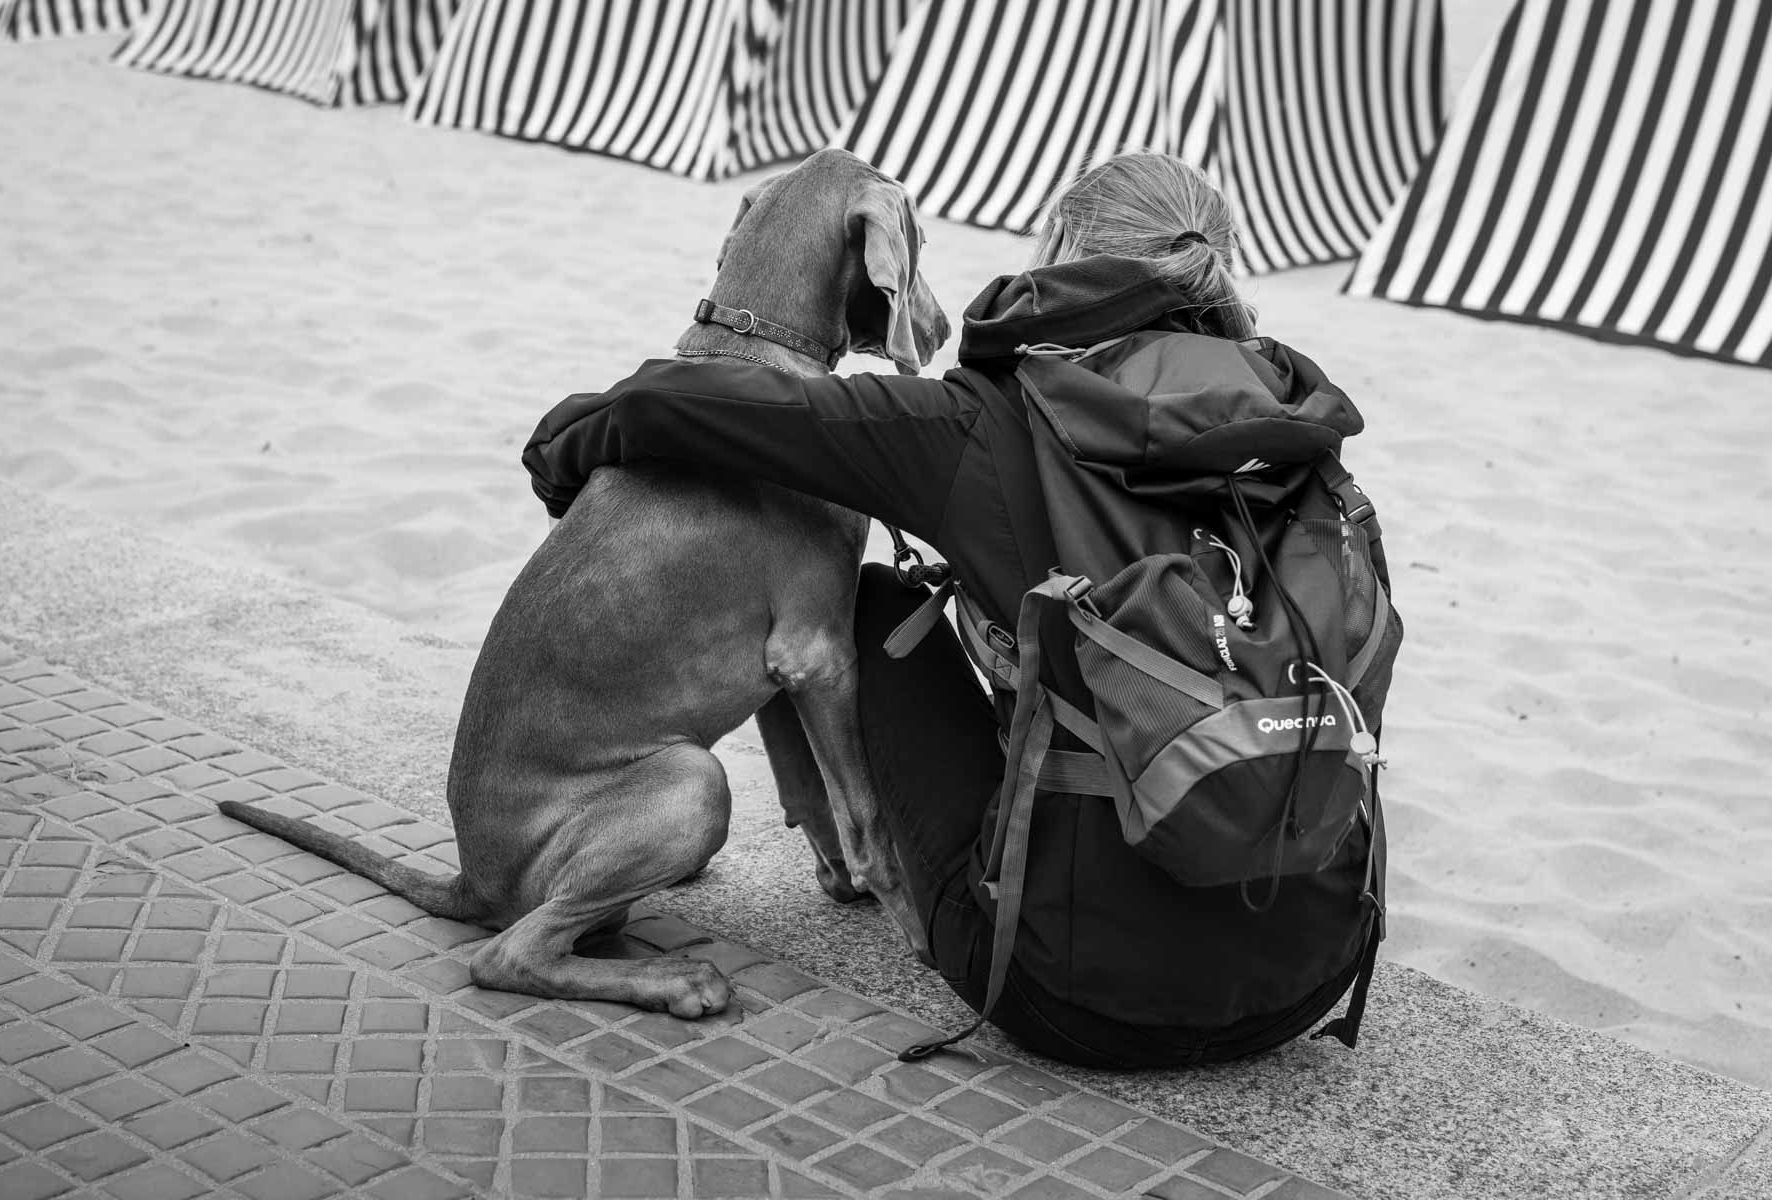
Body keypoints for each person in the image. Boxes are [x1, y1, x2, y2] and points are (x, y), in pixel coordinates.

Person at [523, 152, 1372, 1068]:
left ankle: (854, 858)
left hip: (1074, 997)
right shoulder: (1306, 441)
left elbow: (727, 409)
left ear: (1062, 253)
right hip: (1314, 974)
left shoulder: (991, 423)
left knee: (866, 605)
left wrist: (565, 448)